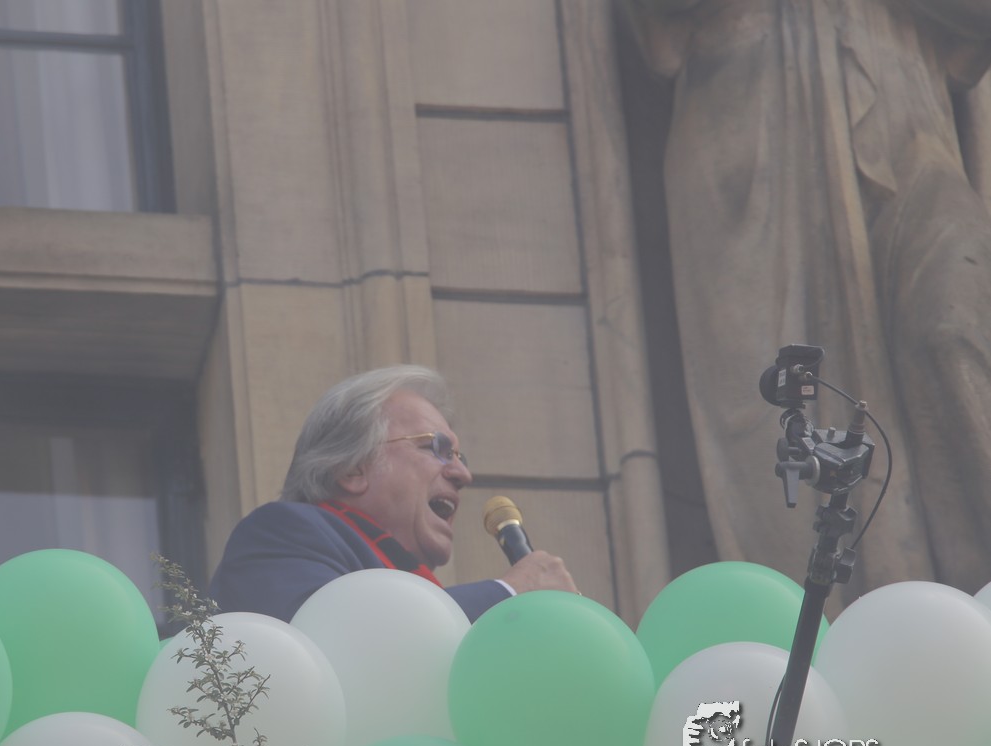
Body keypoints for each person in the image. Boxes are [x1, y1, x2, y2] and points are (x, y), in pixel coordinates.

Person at [621, 0, 991, 596]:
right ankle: (810, 636)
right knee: (778, 422)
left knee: (950, 326)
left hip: (906, 116)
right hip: (748, 130)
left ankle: (957, 624)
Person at [208, 365, 578, 623]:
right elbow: (342, 638)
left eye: (459, 457)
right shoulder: (281, 532)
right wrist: (509, 593)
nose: (463, 474)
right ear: (352, 468)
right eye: (436, 448)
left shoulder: (417, 587)